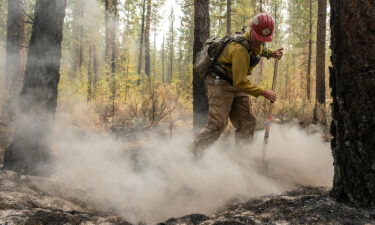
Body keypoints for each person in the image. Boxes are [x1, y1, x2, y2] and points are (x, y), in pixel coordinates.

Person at [192, 13, 284, 157]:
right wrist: (263, 92)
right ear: (251, 31)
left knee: (247, 122)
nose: (260, 42)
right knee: (218, 124)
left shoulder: (254, 43)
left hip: (236, 83)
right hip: (220, 83)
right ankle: (192, 154)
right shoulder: (239, 49)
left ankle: (242, 161)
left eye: (263, 40)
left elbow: (259, 50)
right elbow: (240, 82)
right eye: (259, 38)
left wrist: (271, 53)